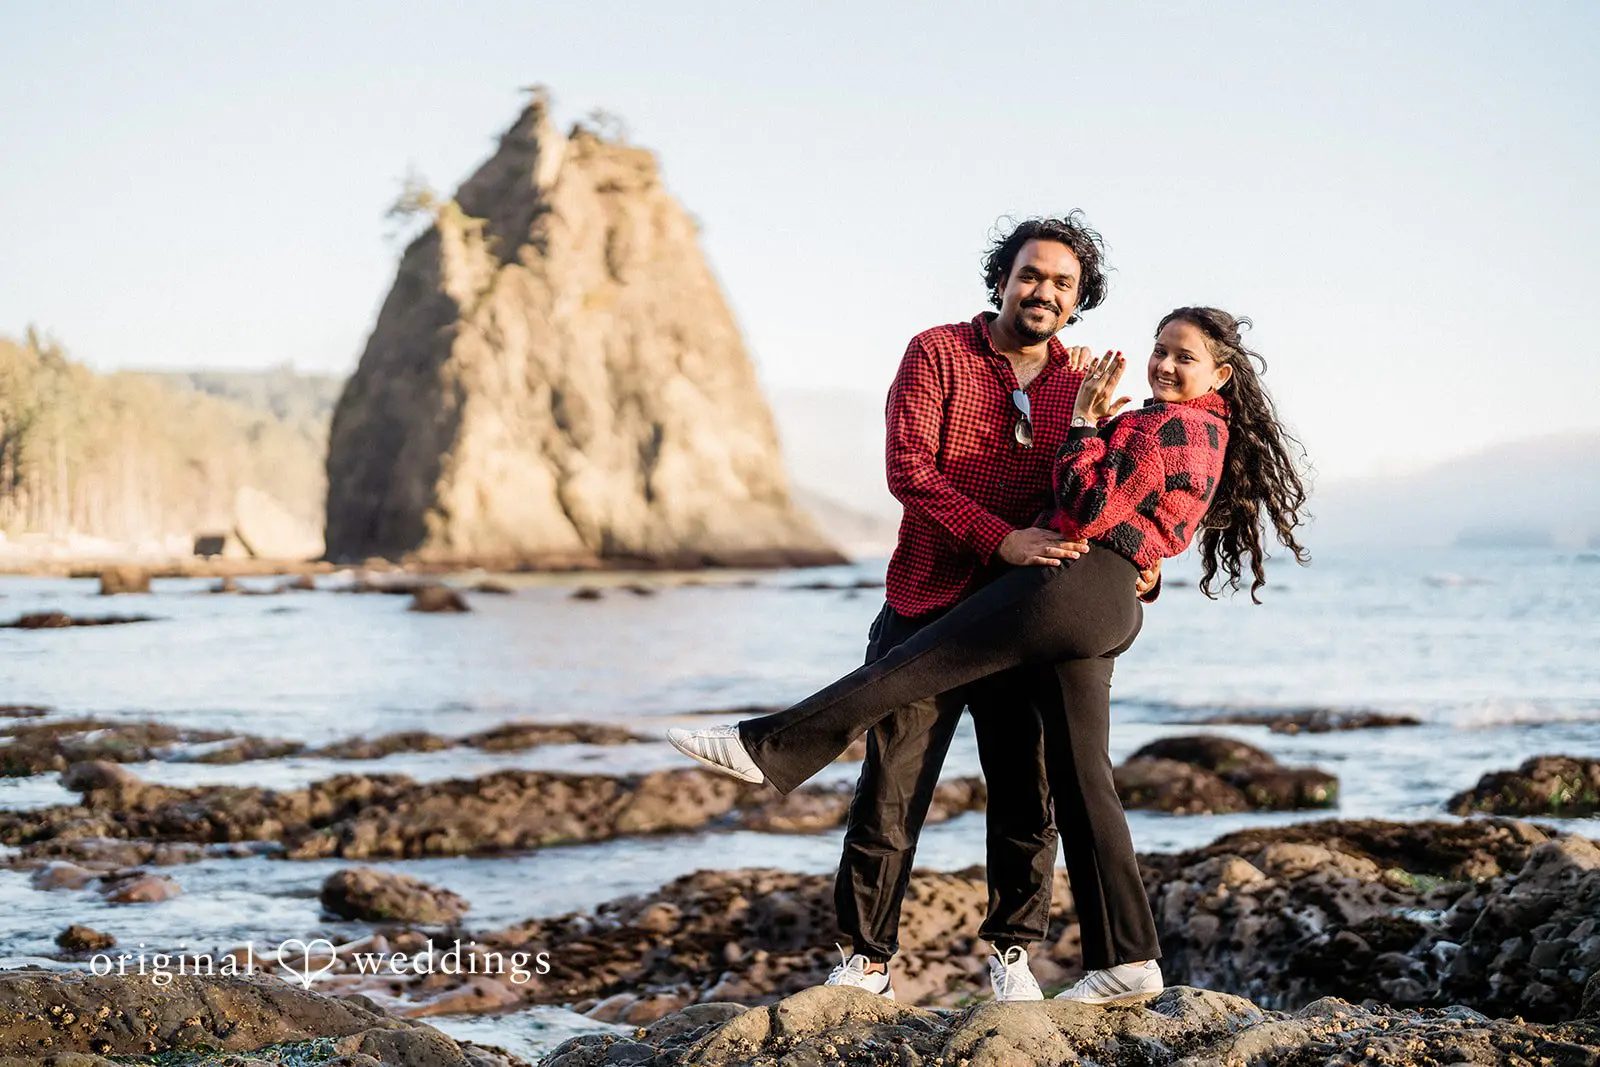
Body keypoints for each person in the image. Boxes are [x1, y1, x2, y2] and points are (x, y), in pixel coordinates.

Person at [672, 306, 1310, 1004]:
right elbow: (1135, 516)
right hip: (1102, 596)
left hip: (1072, 589)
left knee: (914, 665)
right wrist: (1135, 541)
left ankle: (768, 745)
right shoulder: (1189, 421)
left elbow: (1087, 503)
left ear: (1218, 373)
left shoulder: (1169, 422)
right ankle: (1128, 957)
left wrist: (1085, 423)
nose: (1163, 363)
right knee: (1080, 781)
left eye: (1182, 356)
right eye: (1159, 348)